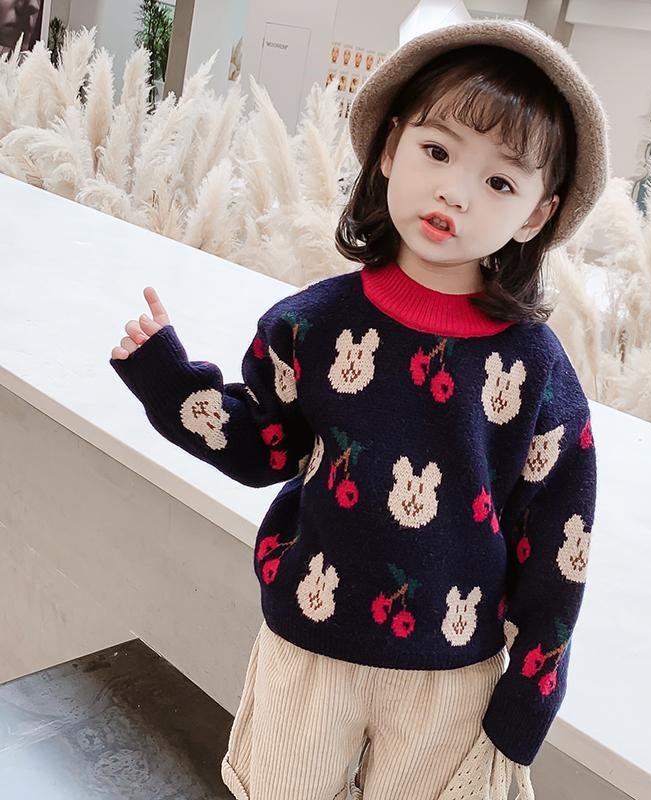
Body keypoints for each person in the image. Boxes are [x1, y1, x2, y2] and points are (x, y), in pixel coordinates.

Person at [109, 17, 609, 800]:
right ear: (389, 147)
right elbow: (264, 447)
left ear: (537, 215)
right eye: (437, 151)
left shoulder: (537, 373)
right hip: (310, 648)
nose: (455, 192)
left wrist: (530, 700)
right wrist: (169, 382)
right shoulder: (311, 325)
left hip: (452, 678)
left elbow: (559, 545)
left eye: (500, 183)